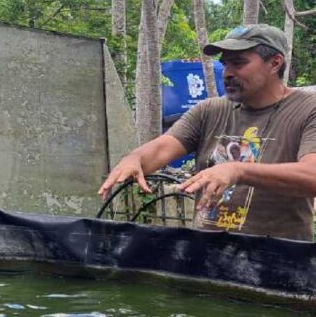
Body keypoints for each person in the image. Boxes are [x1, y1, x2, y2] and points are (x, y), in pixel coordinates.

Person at [99, 24, 316, 241]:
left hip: (278, 260)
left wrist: (238, 171)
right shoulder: (209, 110)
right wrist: (135, 159)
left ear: (275, 63)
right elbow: (162, 148)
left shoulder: (308, 109)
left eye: (239, 63)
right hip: (206, 255)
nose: (228, 73)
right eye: (225, 64)